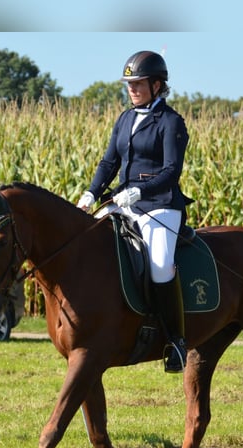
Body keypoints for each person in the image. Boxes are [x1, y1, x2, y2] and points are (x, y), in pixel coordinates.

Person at [77, 50, 192, 373]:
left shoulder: (171, 122)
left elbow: (172, 171)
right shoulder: (125, 118)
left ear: (157, 85)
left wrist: (140, 191)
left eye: (138, 83)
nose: (132, 89)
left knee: (159, 267)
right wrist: (91, 193)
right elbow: (109, 162)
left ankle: (176, 342)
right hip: (122, 202)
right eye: (129, 84)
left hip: (160, 205)